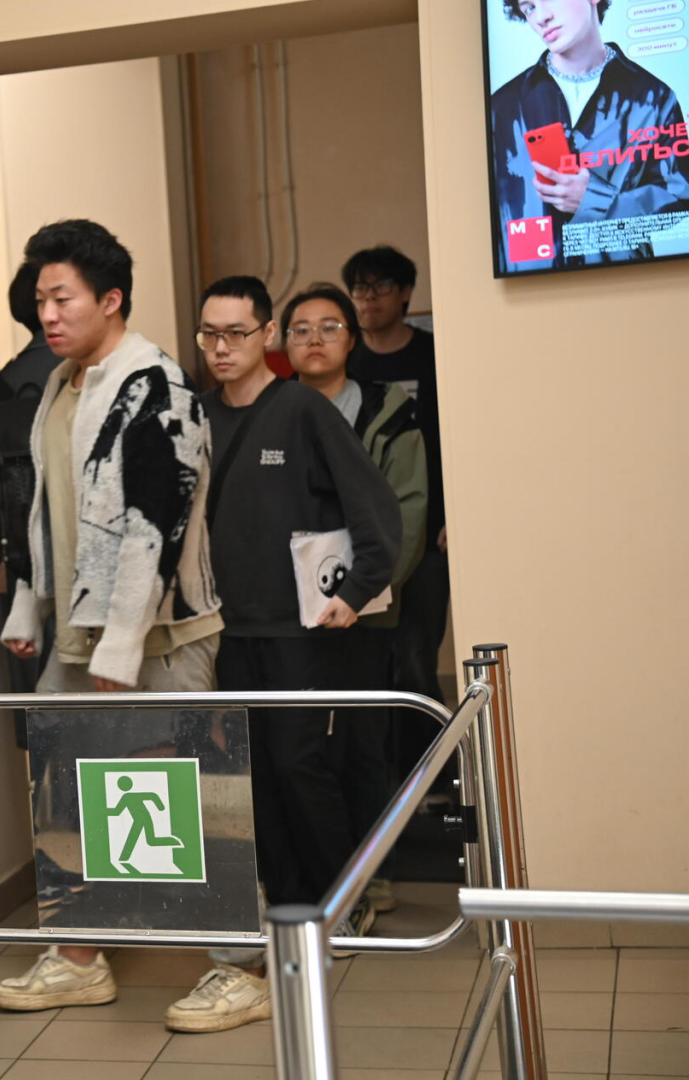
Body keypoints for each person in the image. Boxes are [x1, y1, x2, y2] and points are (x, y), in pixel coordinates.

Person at [0, 220, 223, 1015]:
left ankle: (244, 965)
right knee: (67, 792)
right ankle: (79, 955)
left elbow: (157, 523)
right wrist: (29, 604)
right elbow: (45, 507)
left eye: (62, 299)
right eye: (40, 301)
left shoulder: (155, 383)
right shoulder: (64, 385)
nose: (46, 315)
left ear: (111, 298)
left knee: (187, 796)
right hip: (79, 630)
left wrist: (123, 640)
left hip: (160, 634)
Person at [163, 276, 400, 1034]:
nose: (220, 347)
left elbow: (374, 508)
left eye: (235, 332)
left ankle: (342, 899)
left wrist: (356, 591)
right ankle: (293, 909)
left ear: (265, 334)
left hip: (300, 629)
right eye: (208, 334)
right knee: (254, 776)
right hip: (224, 631)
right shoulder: (197, 417)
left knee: (300, 763)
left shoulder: (301, 409)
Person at [283, 282, 428, 917]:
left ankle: (376, 871)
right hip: (288, 616)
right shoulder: (272, 409)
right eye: (301, 329)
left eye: (330, 327)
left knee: (364, 744)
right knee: (301, 749)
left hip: (367, 607)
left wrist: (365, 589)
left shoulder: (388, 412)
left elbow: (408, 512)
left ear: (352, 339)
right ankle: (320, 876)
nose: (315, 339)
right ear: (282, 341)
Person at [341, 246, 448, 795]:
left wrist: (453, 517)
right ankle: (380, 784)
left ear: (406, 293)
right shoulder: (349, 361)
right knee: (368, 667)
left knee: (415, 660)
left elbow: (455, 439)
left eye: (380, 287)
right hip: (358, 543)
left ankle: (433, 783)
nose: (368, 299)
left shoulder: (436, 354)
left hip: (430, 535)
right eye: (360, 289)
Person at [489, 0, 689, 273]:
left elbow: (676, 201)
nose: (541, 17)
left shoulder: (654, 97)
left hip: (626, 285)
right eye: (529, 8)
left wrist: (593, 199)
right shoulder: (502, 106)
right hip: (530, 289)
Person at [0, 262, 64, 740]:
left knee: (44, 727)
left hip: (19, 570)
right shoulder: (83, 376)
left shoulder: (0, 387)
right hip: (82, 574)